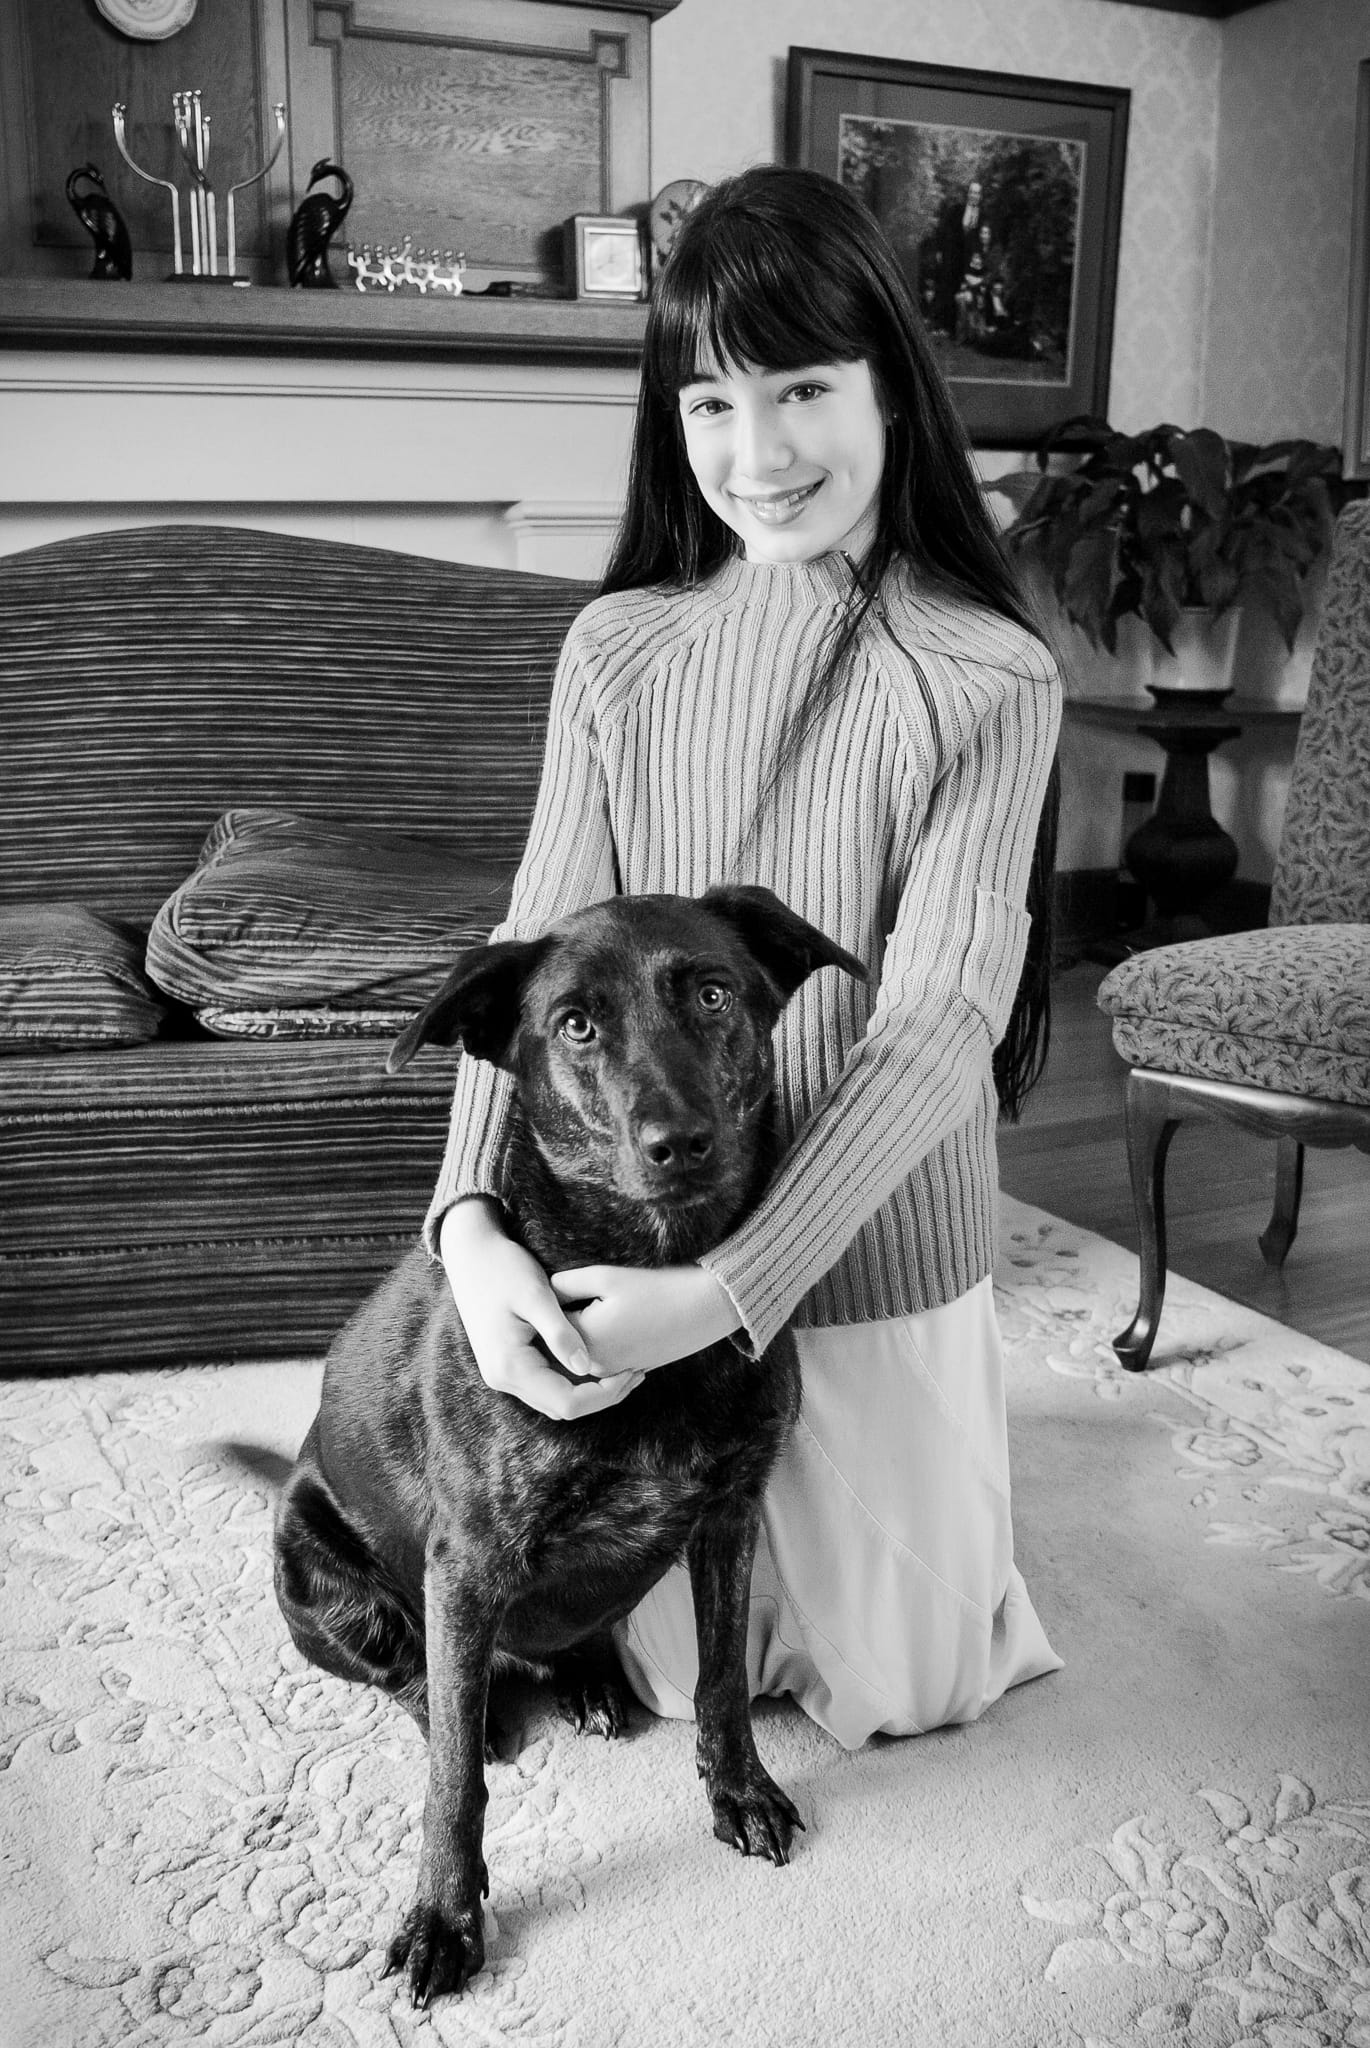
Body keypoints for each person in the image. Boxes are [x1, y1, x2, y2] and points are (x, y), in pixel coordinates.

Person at [424, 164, 1063, 1748]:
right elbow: (529, 966)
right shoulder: (619, 650)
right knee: (621, 1660)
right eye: (710, 401)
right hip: (636, 1246)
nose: (757, 454)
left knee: (903, 1685)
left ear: (890, 397)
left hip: (861, 1250)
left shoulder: (989, 672)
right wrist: (469, 1229)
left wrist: (727, 1293)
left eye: (801, 390)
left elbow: (933, 1024)